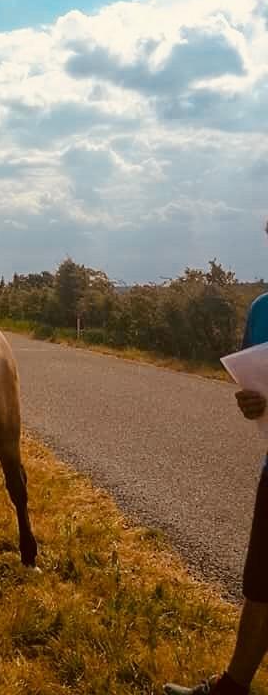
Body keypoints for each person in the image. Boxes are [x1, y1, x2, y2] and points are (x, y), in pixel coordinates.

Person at [164, 222, 268, 695]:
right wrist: (252, 403)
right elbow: (256, 389)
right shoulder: (262, 310)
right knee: (261, 585)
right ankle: (231, 687)